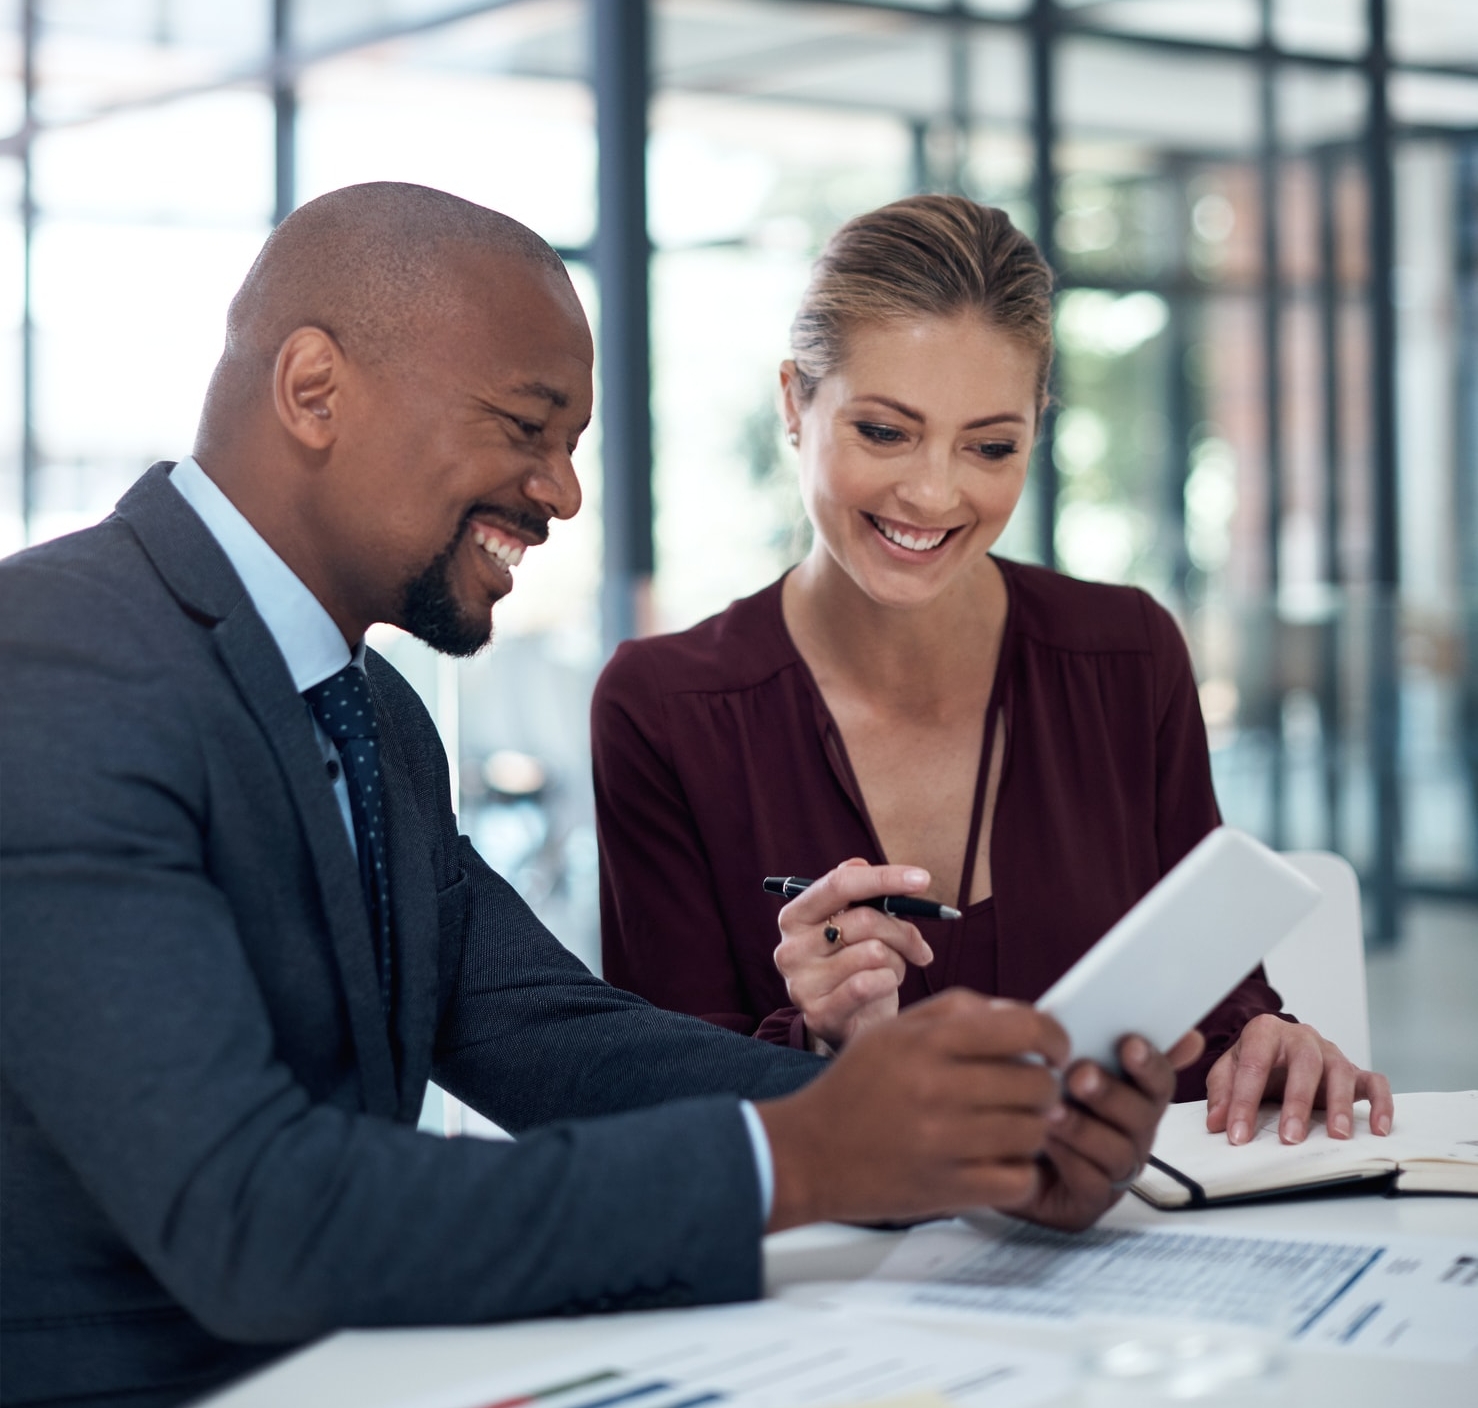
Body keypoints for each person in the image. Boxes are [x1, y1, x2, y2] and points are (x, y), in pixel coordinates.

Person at [0, 183, 1123, 1408]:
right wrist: (799, 1156)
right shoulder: (53, 664)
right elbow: (252, 1215)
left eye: (572, 444)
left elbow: (546, 1037)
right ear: (315, 389)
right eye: (527, 428)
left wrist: (952, 1138)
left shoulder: (370, 715)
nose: (562, 492)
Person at [592, 195, 1393, 1171]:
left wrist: (1266, 1044)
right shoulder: (663, 710)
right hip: (829, 1287)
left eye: (989, 445)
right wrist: (816, 1044)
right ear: (793, 404)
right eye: (884, 431)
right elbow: (657, 1109)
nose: (934, 493)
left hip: (1115, 1268)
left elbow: (1212, 1010)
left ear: (1034, 432)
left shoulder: (1125, 656)